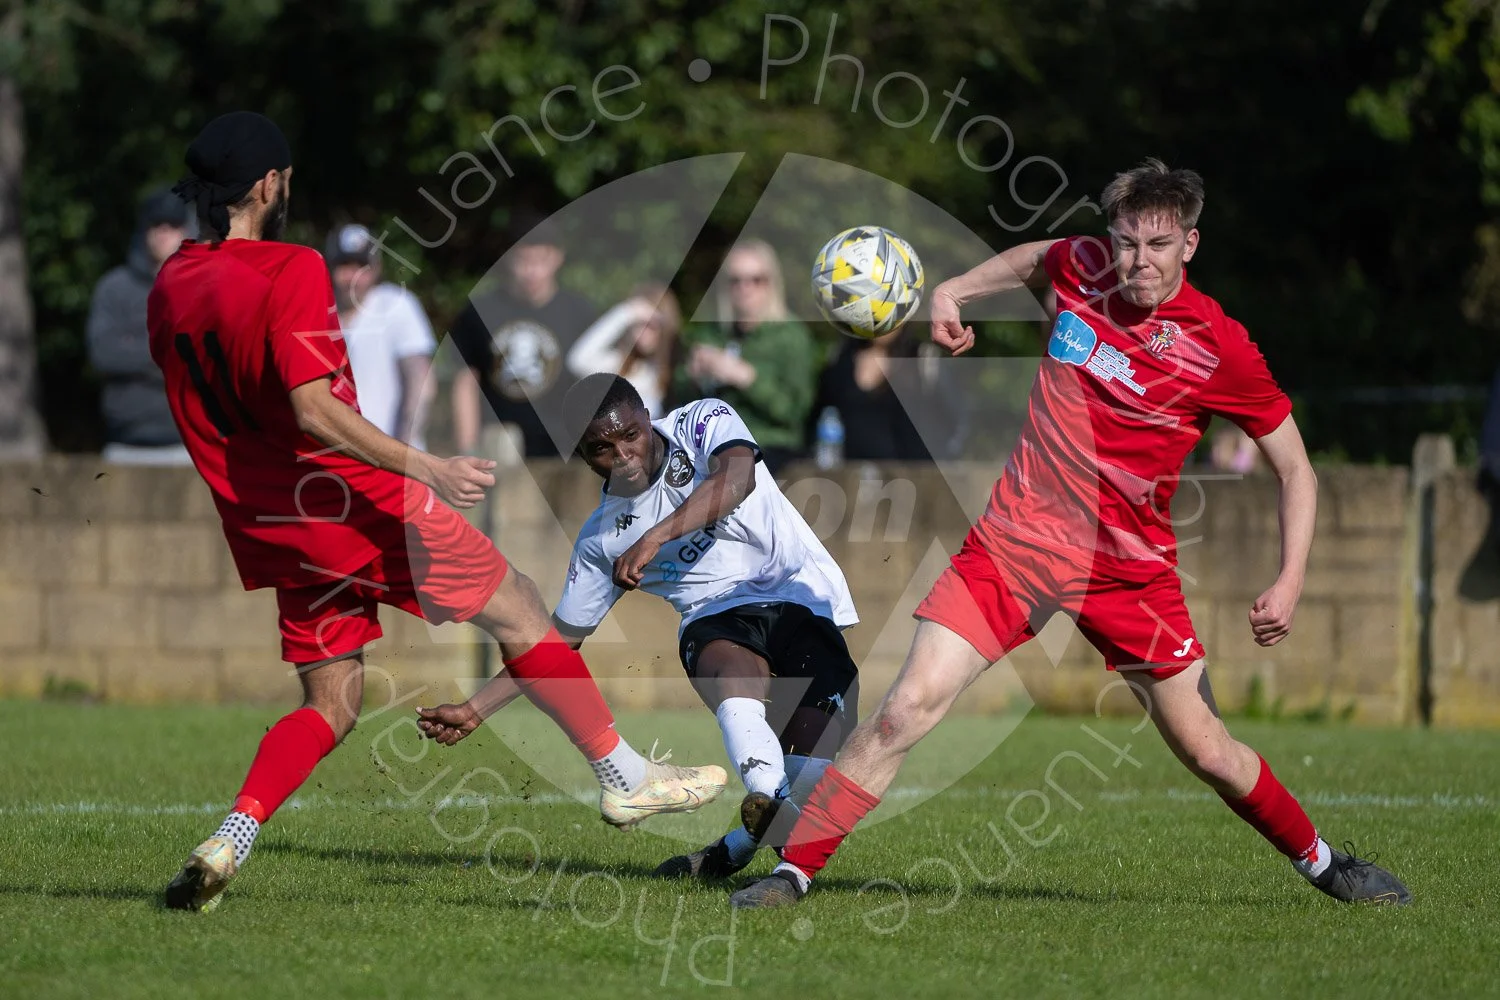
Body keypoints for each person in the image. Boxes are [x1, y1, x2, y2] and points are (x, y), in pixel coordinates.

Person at [730, 159, 1411, 909]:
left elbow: (1297, 470)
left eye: (1157, 246)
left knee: (1207, 750)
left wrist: (1289, 580)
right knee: (905, 708)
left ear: (1190, 244)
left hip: (1130, 573)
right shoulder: (1082, 268)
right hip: (1014, 545)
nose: (1136, 263)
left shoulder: (1219, 348)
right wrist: (956, 289)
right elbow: (1036, 256)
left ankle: (1323, 863)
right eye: (1124, 242)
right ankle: (793, 874)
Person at [147, 112, 725, 913]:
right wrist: (426, 465)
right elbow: (313, 412)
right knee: (521, 605)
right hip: (349, 498)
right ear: (268, 185)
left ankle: (232, 835)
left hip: (268, 521)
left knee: (333, 701)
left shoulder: (173, 278)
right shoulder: (292, 268)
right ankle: (625, 778)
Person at [416, 374, 861, 878]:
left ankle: (735, 846)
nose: (623, 454)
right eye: (602, 448)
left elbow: (738, 480)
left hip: (802, 597)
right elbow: (558, 643)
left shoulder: (701, 421)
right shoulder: (600, 541)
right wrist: (476, 710)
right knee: (730, 675)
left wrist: (654, 538)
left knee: (808, 774)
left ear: (647, 418)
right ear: (584, 457)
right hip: (715, 618)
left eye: (630, 434)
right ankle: (761, 797)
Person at [449, 212, 597, 460]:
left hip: (565, 448)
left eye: (541, 260)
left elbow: (595, 383)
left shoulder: (579, 312)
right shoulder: (480, 311)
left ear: (558, 257)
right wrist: (467, 450)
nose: (532, 271)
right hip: (501, 447)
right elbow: (466, 382)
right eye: (523, 260)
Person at [672, 239, 817, 472]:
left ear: (772, 284)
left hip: (770, 454)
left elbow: (797, 413)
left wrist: (747, 378)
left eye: (756, 280)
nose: (744, 288)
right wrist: (693, 375)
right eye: (735, 280)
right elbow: (678, 398)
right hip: (707, 449)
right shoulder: (711, 333)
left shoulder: (791, 336)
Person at [87, 186, 195, 464]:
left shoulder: (202, 289)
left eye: (172, 224)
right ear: (143, 230)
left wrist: (135, 346)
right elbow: (104, 353)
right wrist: (168, 354)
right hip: (125, 444)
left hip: (188, 446)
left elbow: (209, 358)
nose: (163, 232)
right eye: (156, 224)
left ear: (186, 230)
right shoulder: (113, 288)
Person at [325, 223, 436, 448]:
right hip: (334, 460)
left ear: (376, 267)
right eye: (344, 265)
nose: (352, 276)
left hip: (391, 455)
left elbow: (420, 382)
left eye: (360, 266)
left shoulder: (396, 305)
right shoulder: (318, 311)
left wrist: (402, 449)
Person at [813, 326, 968, 462]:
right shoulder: (841, 358)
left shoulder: (922, 360)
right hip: (849, 480)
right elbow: (818, 416)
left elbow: (955, 421)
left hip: (912, 483)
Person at [565, 283, 681, 418]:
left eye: (651, 325)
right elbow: (577, 361)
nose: (643, 331)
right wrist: (626, 312)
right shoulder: (616, 363)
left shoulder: (669, 371)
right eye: (639, 323)